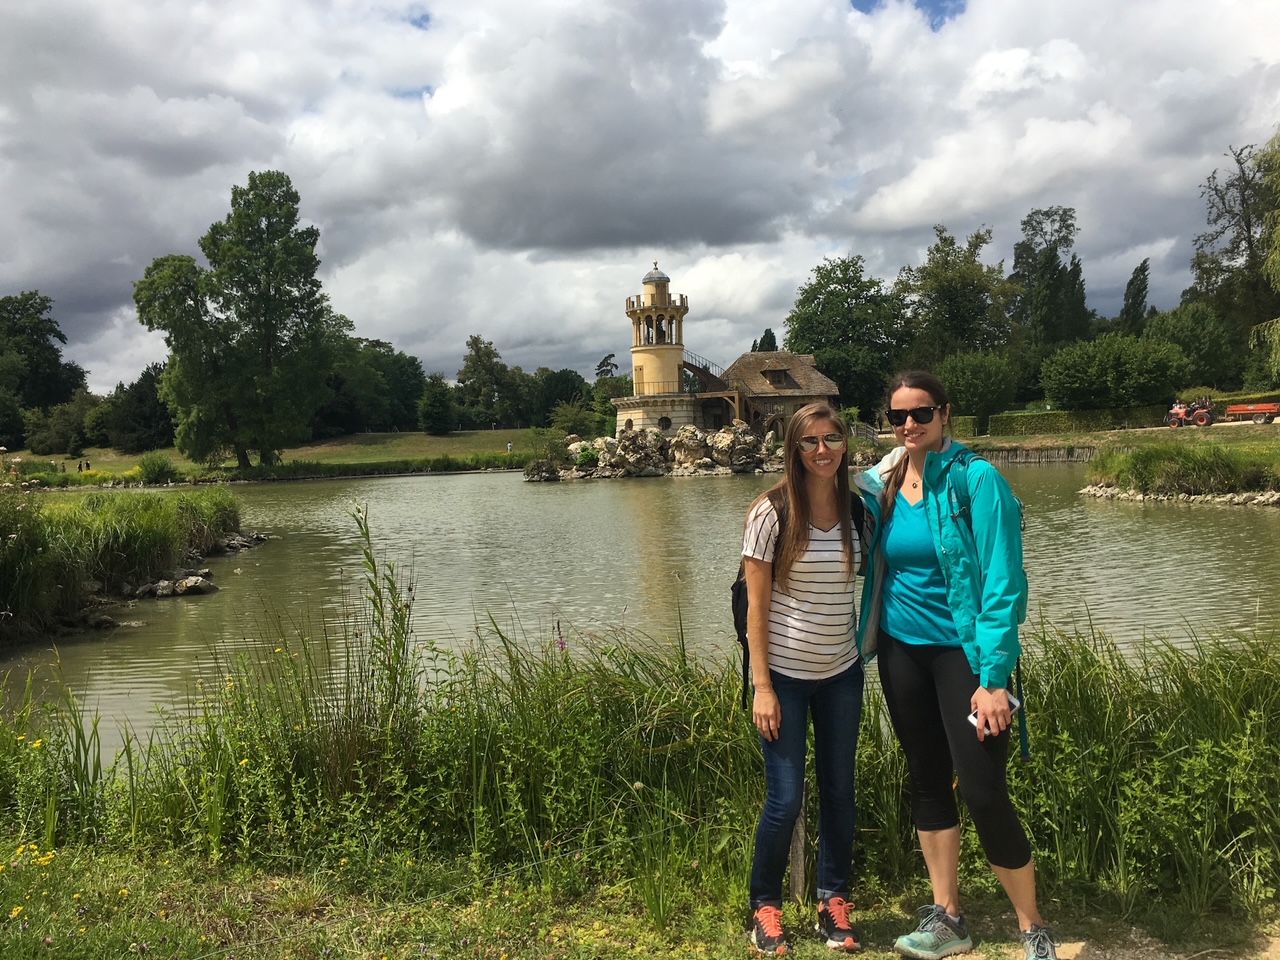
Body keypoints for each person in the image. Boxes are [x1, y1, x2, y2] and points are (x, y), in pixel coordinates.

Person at [854, 371, 1057, 960]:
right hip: (900, 653)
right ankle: (949, 918)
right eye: (898, 416)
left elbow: (1003, 583)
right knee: (926, 781)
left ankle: (1031, 924)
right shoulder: (885, 483)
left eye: (921, 413)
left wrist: (994, 678)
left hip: (964, 658)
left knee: (984, 788)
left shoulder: (978, 480)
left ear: (946, 413)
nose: (909, 424)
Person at [742, 402, 865, 955]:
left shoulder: (857, 511)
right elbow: (756, 609)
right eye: (810, 442)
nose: (822, 451)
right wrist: (761, 686)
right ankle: (763, 906)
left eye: (832, 440)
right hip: (785, 680)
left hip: (842, 674)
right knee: (785, 799)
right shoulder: (770, 513)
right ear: (792, 449)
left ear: (845, 445)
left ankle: (832, 900)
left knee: (840, 792)